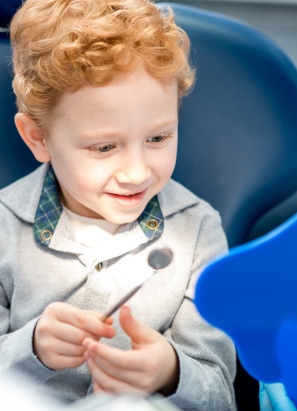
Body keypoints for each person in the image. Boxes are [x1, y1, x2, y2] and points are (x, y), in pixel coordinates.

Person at [0, 0, 237, 409]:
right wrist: (31, 346)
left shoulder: (199, 231)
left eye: (158, 138)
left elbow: (220, 394)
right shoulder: (4, 226)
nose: (136, 172)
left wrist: (170, 370)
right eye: (105, 146)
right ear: (38, 138)